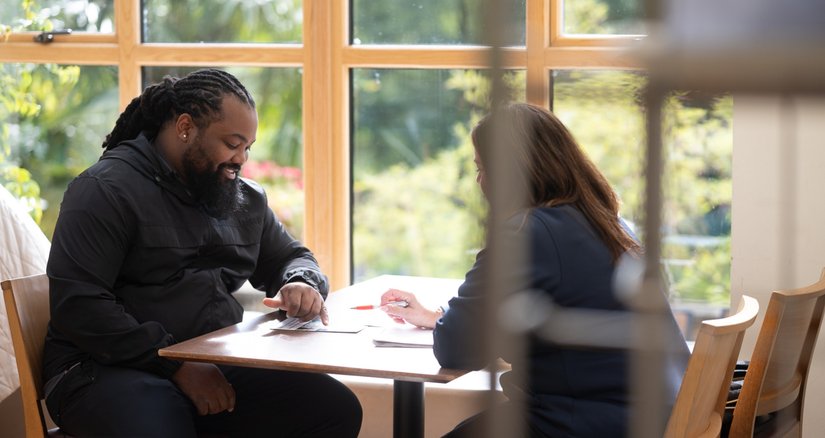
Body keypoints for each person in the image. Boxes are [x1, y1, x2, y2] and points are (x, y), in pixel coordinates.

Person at [43, 68, 362, 437]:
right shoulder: (103, 191)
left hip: (210, 360)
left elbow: (292, 257)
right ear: (185, 128)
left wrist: (301, 281)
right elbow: (80, 306)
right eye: (232, 144)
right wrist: (175, 366)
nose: (241, 159)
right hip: (101, 369)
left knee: (332, 409)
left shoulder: (242, 198)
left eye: (247, 147)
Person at [380, 103, 690, 437]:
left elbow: (457, 348)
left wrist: (455, 324)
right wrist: (437, 316)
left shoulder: (528, 233)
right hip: (650, 415)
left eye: (482, 169)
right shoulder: (608, 223)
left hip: (586, 421)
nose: (481, 182)